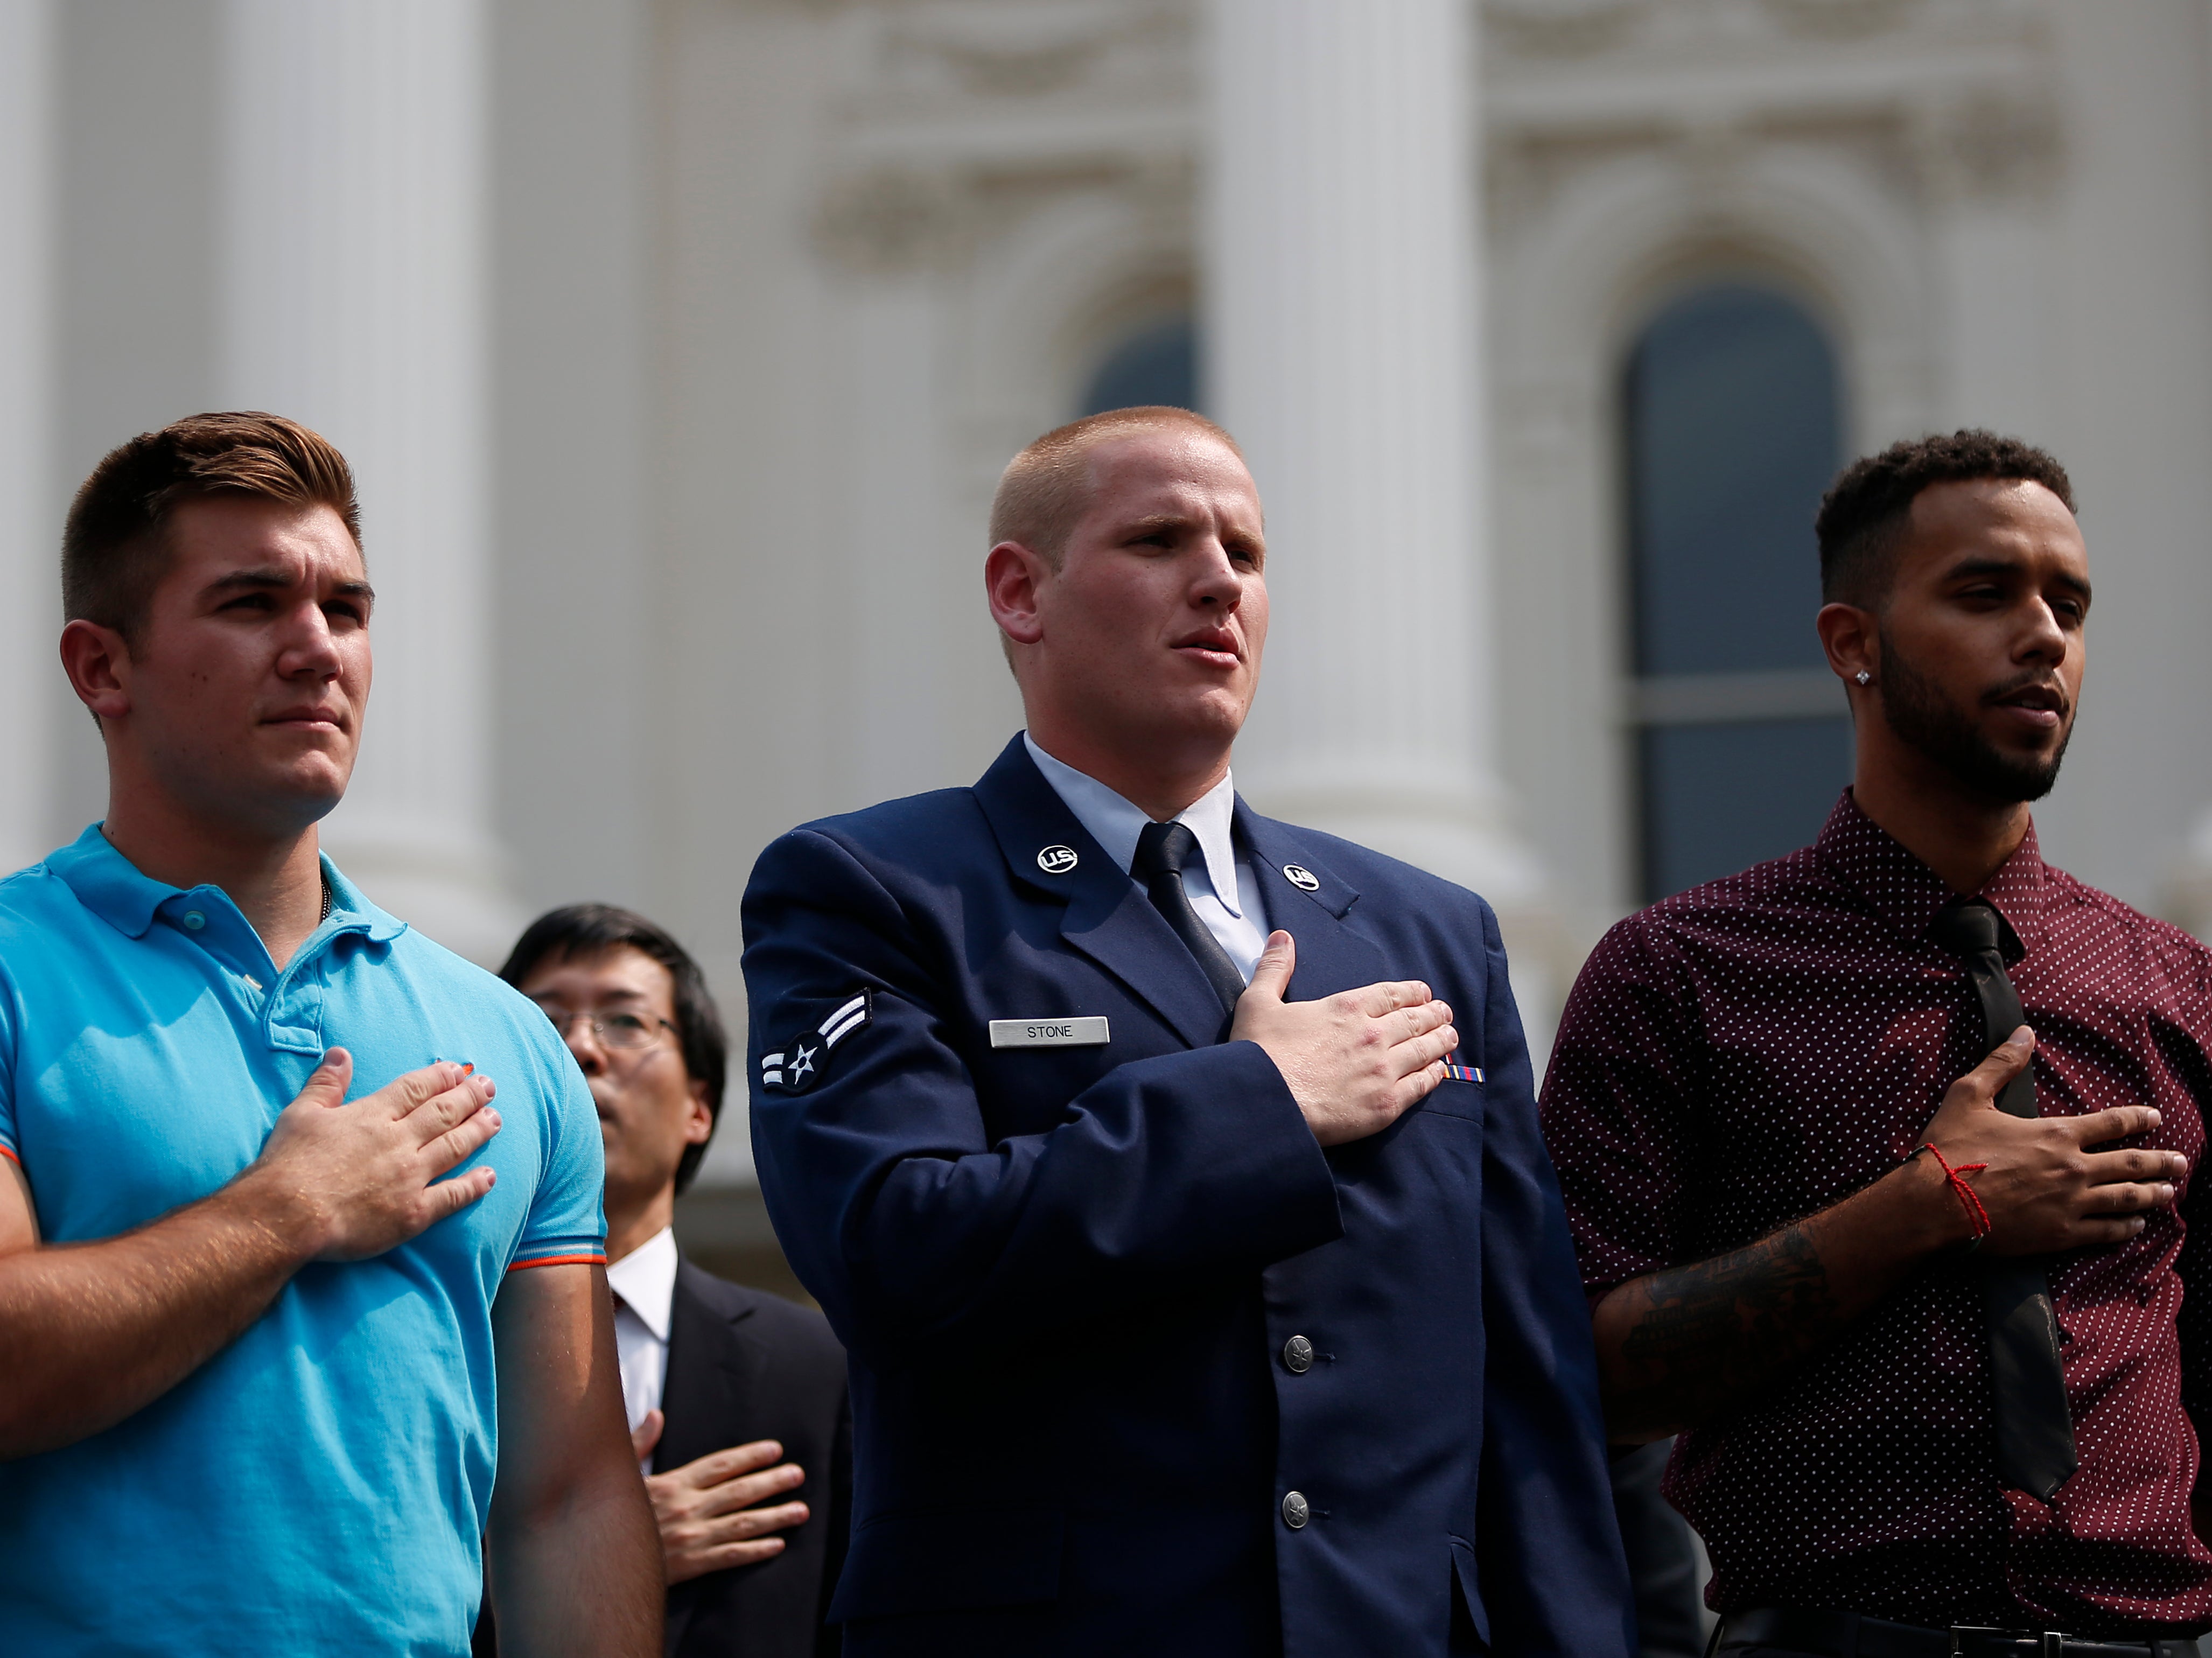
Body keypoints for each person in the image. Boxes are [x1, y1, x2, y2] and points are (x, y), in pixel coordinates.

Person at [741, 407, 1633, 1656]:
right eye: (1157, 539)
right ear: (1019, 593)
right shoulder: (871, 888)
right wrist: (1257, 1102)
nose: (1218, 580)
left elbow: (1528, 1381)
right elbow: (893, 1249)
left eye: (1247, 554)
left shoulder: (1431, 931)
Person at [1541, 430, 2212, 1656]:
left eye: (2066, 603)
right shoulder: (1676, 972)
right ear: (1850, 643)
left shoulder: (2172, 985)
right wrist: (1925, 1205)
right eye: (1983, 592)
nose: (2042, 636)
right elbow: (1580, 1377)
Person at [0, 413, 661, 1655]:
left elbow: (563, 1499)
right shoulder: (10, 969)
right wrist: (289, 1208)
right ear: (102, 668)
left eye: (346, 611)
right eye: (253, 602)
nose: (317, 649)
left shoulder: (508, 1040)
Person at [498, 904, 851, 1658]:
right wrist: (587, 1557)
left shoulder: (823, 1369)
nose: (580, 1048)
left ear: (699, 1107)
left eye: (625, 1022)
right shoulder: (427, 1346)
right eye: (542, 1021)